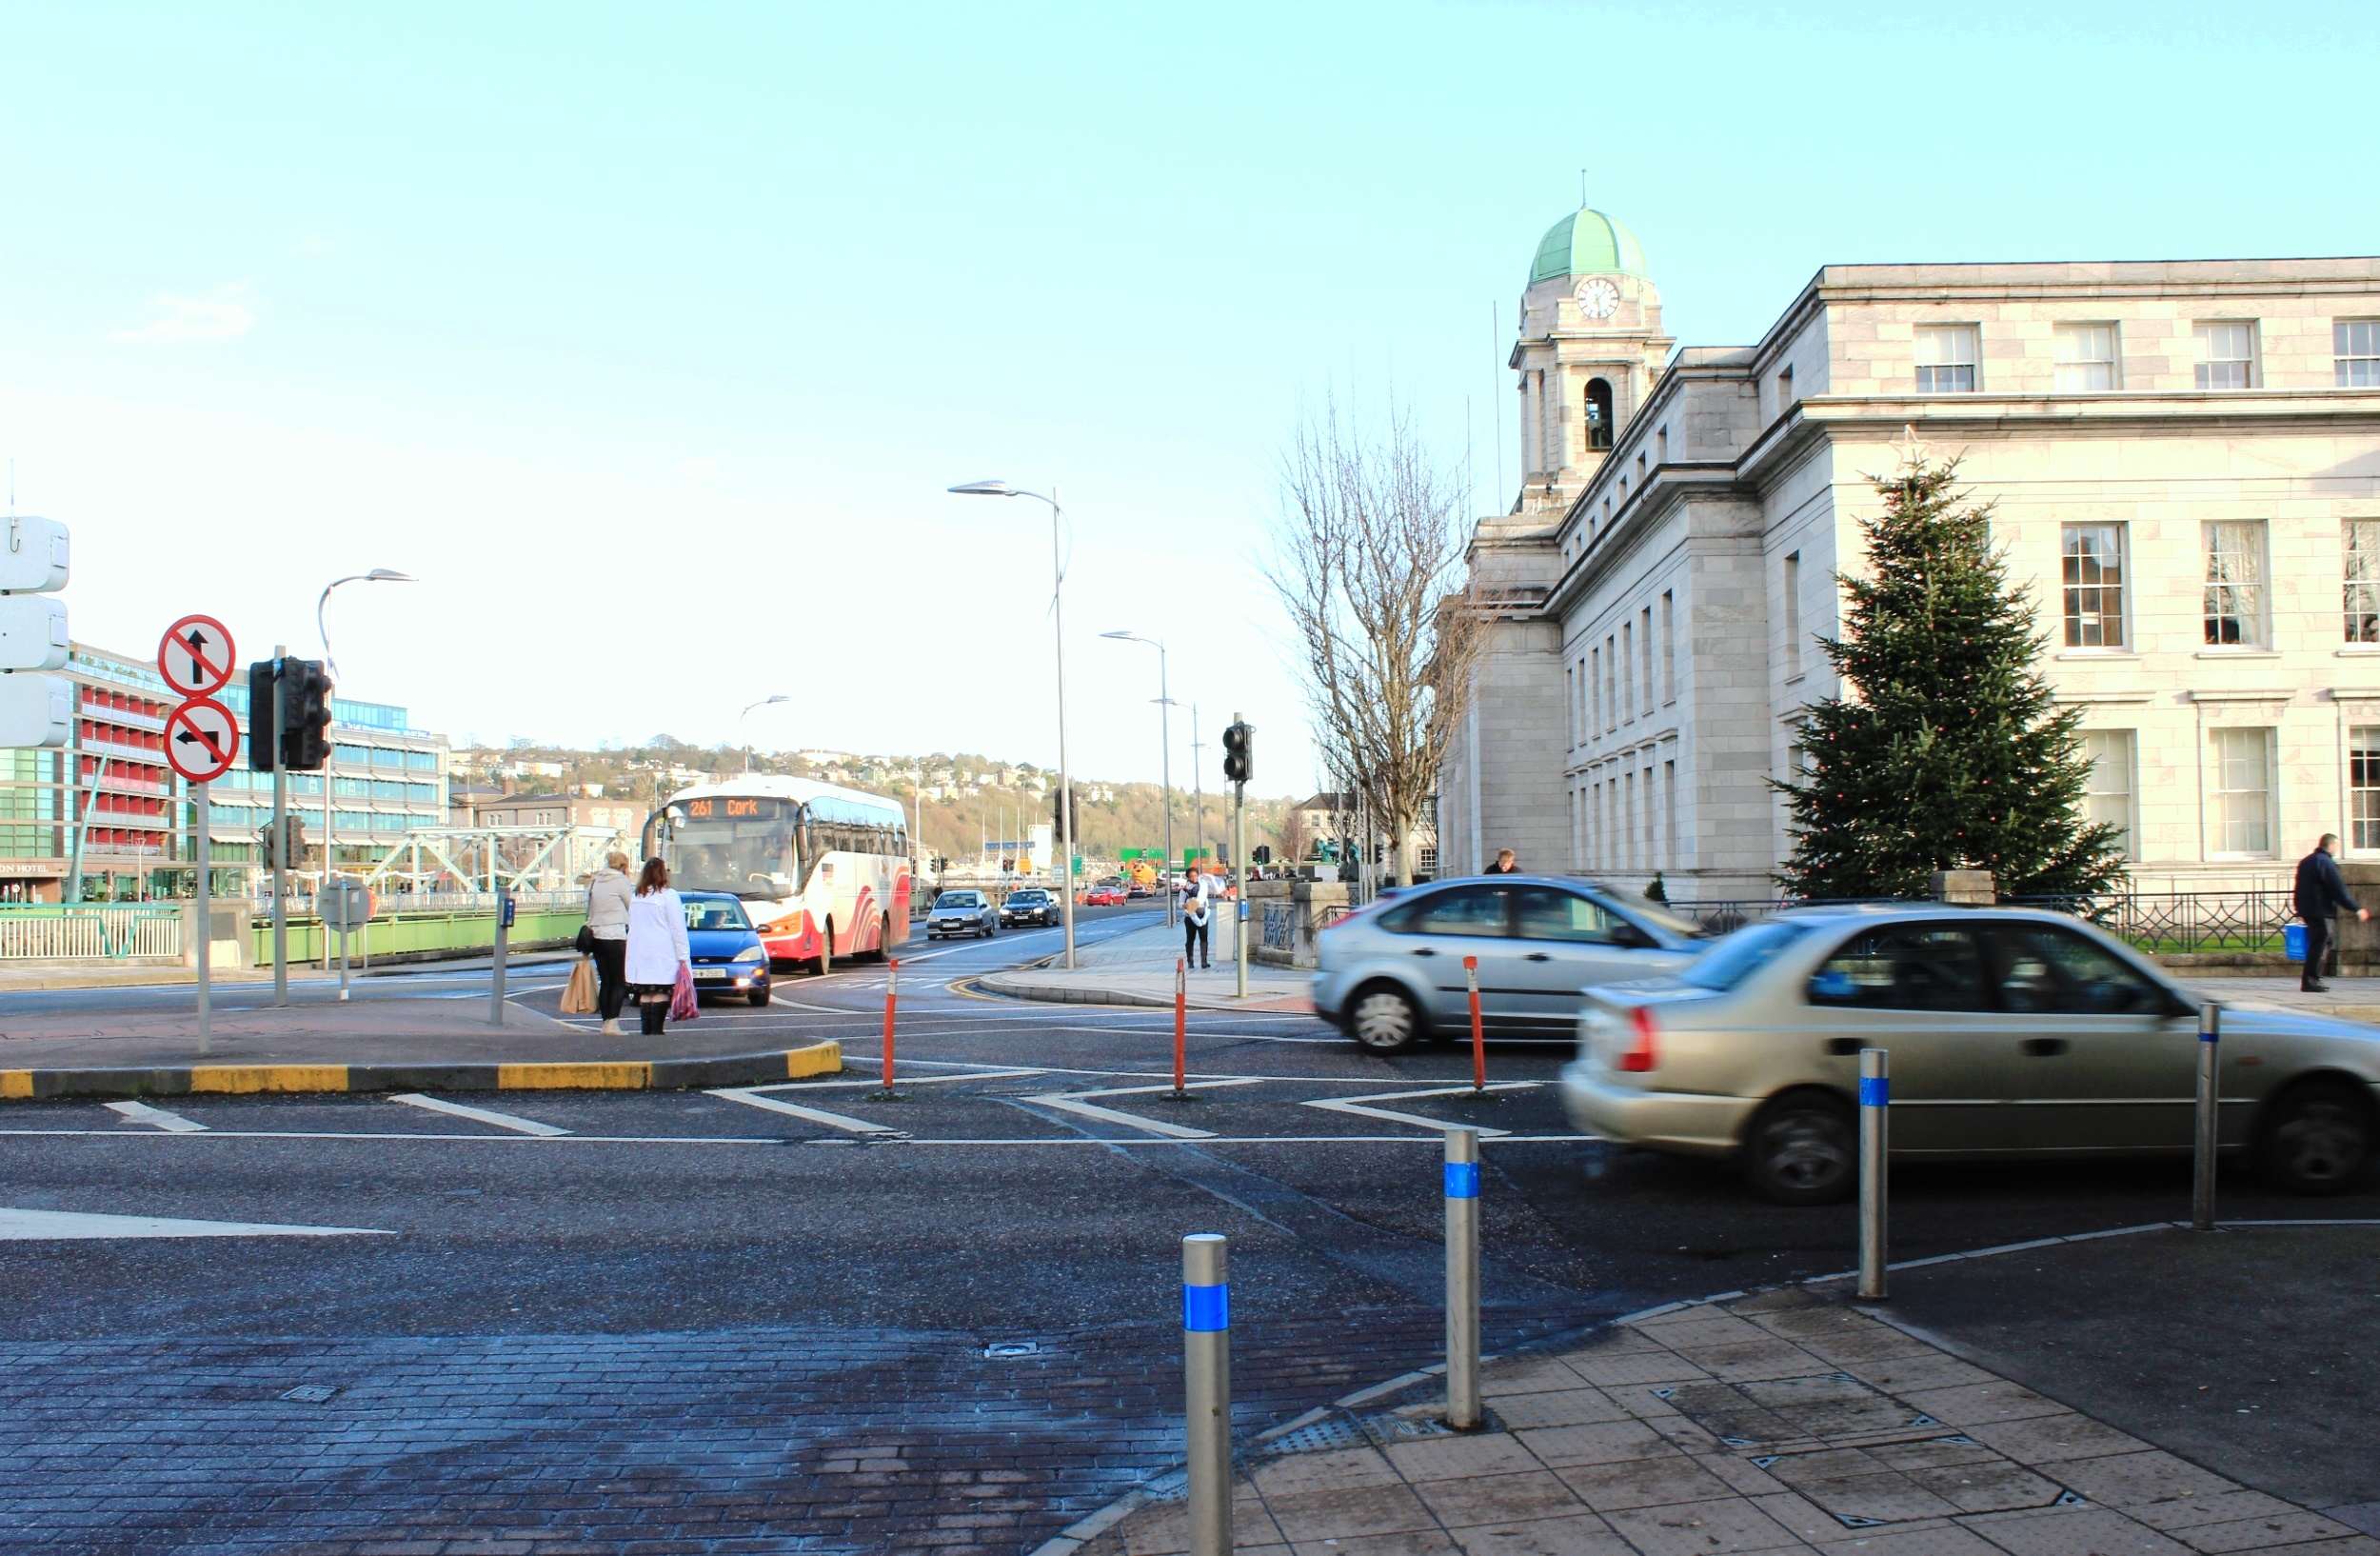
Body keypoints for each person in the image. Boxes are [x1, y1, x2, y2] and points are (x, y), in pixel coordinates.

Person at [2292, 833, 2370, 992]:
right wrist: (2356, 908)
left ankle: (2311, 979)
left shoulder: (2306, 862)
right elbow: (2338, 889)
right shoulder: (2326, 863)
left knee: (2318, 943)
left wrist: (2299, 908)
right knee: (2321, 944)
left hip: (2308, 910)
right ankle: (2311, 980)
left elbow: (2299, 888)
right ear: (2332, 845)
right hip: (2322, 910)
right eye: (2337, 846)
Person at [625, 856, 691, 1036]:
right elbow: (678, 929)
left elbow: (632, 926)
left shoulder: (636, 896)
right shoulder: (669, 896)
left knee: (646, 994)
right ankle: (657, 1031)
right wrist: (683, 956)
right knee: (661, 992)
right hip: (663, 952)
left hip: (640, 953)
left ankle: (646, 1032)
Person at [585, 850, 634, 1036]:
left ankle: (605, 1022)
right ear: (623, 866)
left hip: (596, 936)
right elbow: (632, 905)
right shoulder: (621, 881)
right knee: (619, 982)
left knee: (606, 981)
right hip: (615, 935)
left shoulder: (595, 880)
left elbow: (587, 907)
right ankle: (612, 1025)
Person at [1184, 889, 1212, 970]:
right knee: (1190, 939)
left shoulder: (1203, 894)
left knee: (1204, 940)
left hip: (1203, 918)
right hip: (1190, 919)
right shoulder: (1186, 893)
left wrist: (1204, 918)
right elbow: (1182, 905)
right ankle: (1190, 961)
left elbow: (1207, 906)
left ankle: (1204, 962)